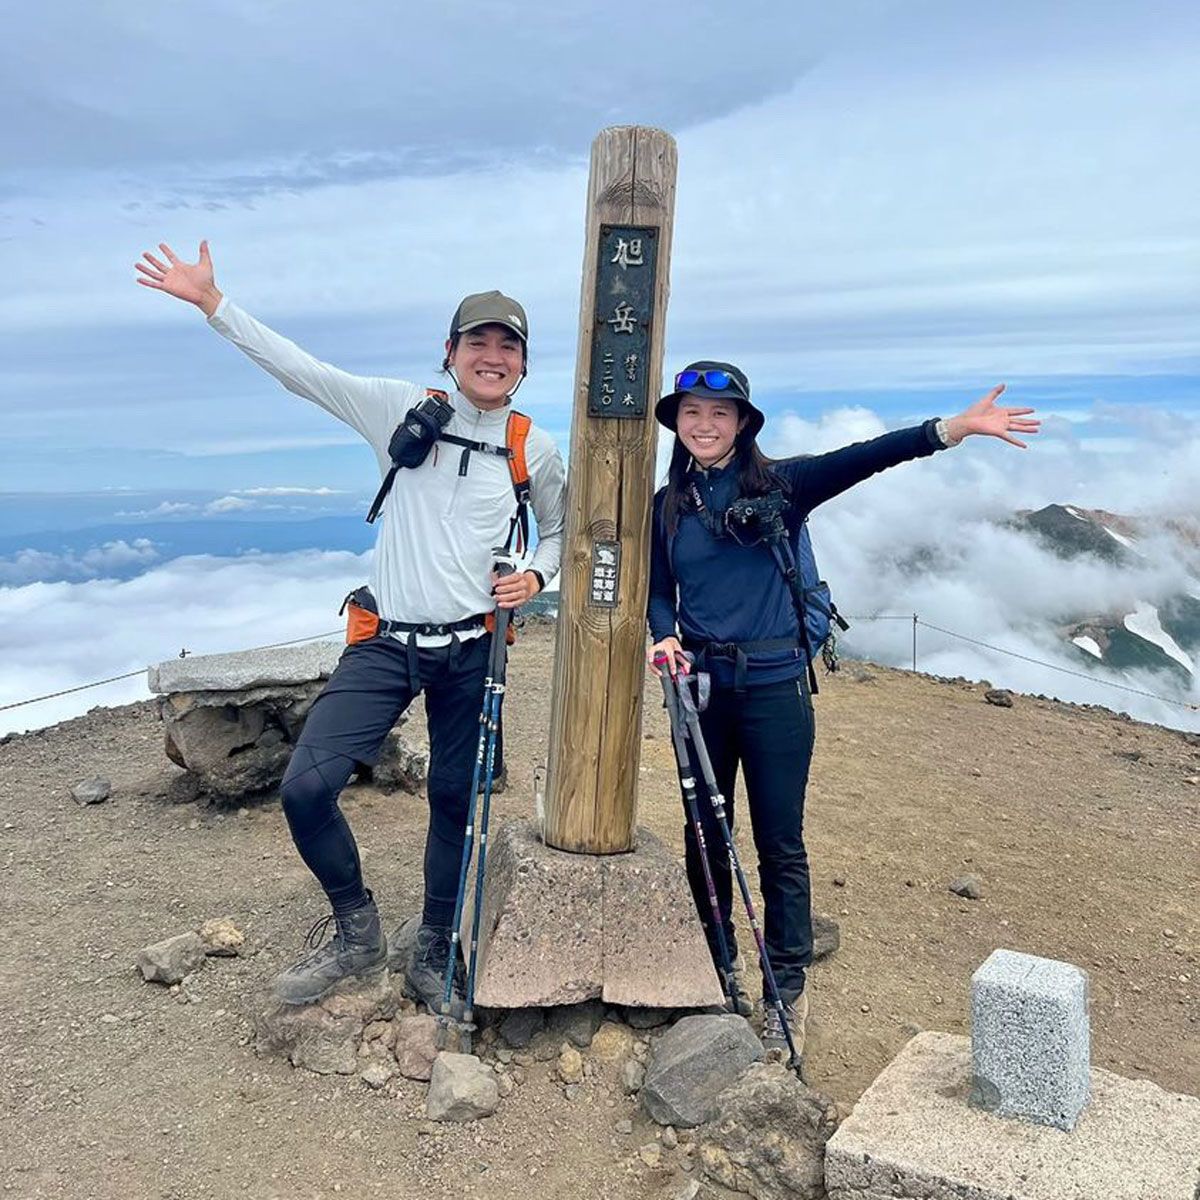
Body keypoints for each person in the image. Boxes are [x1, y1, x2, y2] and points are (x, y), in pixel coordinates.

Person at [136, 241, 566, 1011]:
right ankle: (357, 930)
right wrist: (214, 305)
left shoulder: (535, 447)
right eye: (479, 342)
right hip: (388, 641)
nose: (492, 357)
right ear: (451, 352)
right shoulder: (401, 410)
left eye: (508, 347)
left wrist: (538, 576)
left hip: (475, 648)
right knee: (306, 787)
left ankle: (435, 942)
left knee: (456, 802)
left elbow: (566, 533)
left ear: (524, 364)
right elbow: (305, 372)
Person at [646, 361, 1038, 1054]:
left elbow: (865, 458)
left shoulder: (781, 487)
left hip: (773, 689)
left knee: (778, 840)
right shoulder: (667, 505)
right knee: (704, 832)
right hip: (700, 687)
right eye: (692, 414)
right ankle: (714, 962)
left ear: (742, 423)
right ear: (678, 423)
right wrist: (664, 633)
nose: (704, 425)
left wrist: (952, 430)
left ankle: (786, 982)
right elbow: (658, 588)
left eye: (720, 413)